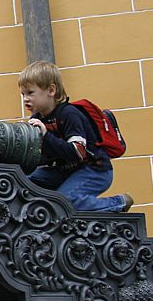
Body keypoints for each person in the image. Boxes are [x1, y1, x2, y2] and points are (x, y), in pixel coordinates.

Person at [19, 61, 132, 213]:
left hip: (94, 169)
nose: (25, 98)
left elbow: (77, 152)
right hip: (65, 170)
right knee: (22, 181)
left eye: (30, 92)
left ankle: (118, 203)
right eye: (23, 94)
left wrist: (45, 136)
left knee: (66, 201)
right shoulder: (39, 118)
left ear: (51, 90)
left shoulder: (69, 114)